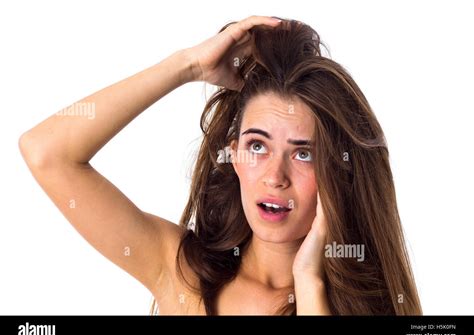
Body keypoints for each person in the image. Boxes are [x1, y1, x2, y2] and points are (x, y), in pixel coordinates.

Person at [19, 15, 422, 315]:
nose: (274, 177)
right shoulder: (182, 276)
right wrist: (187, 66)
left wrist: (310, 283)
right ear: (234, 157)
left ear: (339, 171)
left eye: (304, 153)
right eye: (257, 147)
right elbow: (47, 152)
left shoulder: (368, 306)